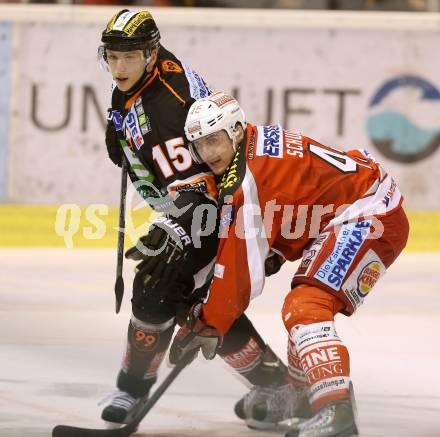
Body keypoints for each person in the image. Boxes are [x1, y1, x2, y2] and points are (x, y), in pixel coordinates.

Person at [98, 10, 297, 428]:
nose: (118, 68)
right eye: (112, 57)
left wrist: (173, 229)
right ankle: (278, 386)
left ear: (151, 55)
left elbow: (204, 185)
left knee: (162, 288)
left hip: (219, 209)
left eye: (128, 57)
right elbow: (135, 113)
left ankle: (131, 390)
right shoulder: (145, 73)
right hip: (209, 204)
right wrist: (123, 131)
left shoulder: (168, 107)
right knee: (192, 299)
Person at [169, 91, 409, 437]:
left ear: (235, 129)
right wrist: (277, 249)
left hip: (370, 213)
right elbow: (299, 192)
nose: (207, 154)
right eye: (199, 145)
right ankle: (301, 397)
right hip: (352, 207)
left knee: (305, 305)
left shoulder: (244, 179)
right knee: (303, 302)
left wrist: (206, 323)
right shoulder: (252, 144)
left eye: (213, 141)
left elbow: (238, 278)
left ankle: (335, 411)